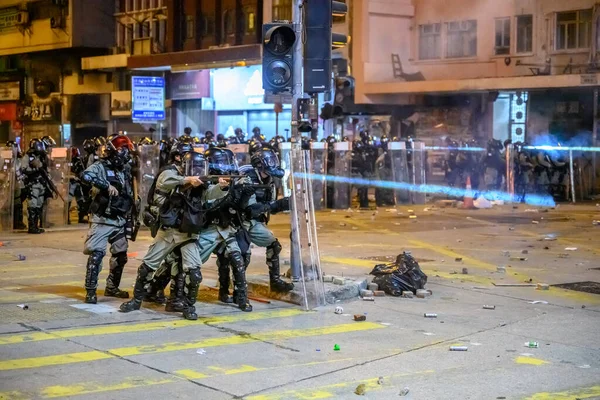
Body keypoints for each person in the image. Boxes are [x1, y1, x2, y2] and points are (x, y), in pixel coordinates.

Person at [119, 142, 226, 320]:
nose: (198, 170)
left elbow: (208, 196)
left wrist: (221, 187)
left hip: (188, 233)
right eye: (195, 167)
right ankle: (136, 300)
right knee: (147, 267)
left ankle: (189, 306)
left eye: (200, 168)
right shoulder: (172, 173)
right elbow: (164, 181)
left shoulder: (199, 181)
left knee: (194, 273)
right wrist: (187, 180)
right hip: (168, 232)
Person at [81, 135, 136, 304]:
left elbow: (129, 193)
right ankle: (90, 291)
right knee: (96, 255)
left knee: (121, 256)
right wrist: (106, 185)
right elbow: (85, 176)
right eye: (124, 150)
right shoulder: (100, 166)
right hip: (103, 219)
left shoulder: (125, 169)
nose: (127, 154)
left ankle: (112, 287)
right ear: (115, 151)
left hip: (119, 219)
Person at [234, 146, 294, 293]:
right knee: (243, 256)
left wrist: (280, 205)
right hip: (239, 223)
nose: (273, 164)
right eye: (269, 161)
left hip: (254, 222)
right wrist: (276, 204)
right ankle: (238, 288)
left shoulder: (270, 180)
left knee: (274, 245)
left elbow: (268, 206)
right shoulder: (248, 178)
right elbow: (250, 209)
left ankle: (275, 282)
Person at [22, 139, 51, 234]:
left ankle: (36, 225)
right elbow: (24, 169)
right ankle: (31, 227)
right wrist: (35, 171)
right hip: (32, 185)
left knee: (39, 205)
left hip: (41, 185)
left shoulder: (42, 157)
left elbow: (46, 170)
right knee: (32, 205)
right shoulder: (28, 156)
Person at [67, 147, 87, 224]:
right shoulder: (67, 161)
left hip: (77, 183)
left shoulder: (79, 161)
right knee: (68, 201)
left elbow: (82, 171)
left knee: (80, 201)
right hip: (70, 183)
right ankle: (67, 219)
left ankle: (81, 218)